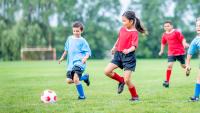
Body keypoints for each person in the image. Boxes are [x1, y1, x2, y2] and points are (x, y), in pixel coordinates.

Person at [104, 11, 146, 101]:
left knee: (127, 80)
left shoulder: (134, 32)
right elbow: (119, 38)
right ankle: (120, 80)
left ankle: (135, 96)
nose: (122, 23)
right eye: (122, 21)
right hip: (118, 55)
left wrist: (128, 50)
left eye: (124, 21)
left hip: (129, 57)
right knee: (107, 71)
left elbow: (134, 46)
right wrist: (114, 47)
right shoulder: (123, 28)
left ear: (131, 21)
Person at [59, 21, 91, 100]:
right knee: (69, 80)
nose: (75, 32)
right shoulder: (69, 39)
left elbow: (88, 52)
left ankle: (82, 96)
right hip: (71, 64)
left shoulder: (83, 41)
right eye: (74, 31)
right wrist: (62, 58)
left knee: (76, 79)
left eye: (77, 31)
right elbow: (66, 50)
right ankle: (85, 78)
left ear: (81, 31)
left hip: (79, 62)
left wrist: (85, 58)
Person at [159, 20, 190, 88]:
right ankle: (167, 81)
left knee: (183, 66)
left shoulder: (176, 32)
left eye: (168, 26)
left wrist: (184, 44)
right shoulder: (164, 34)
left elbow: (182, 39)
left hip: (180, 52)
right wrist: (161, 50)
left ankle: (187, 69)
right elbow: (163, 43)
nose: (166, 27)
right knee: (169, 65)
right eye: (165, 26)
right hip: (171, 53)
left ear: (171, 26)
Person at [185, 17, 200, 102]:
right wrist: (187, 65)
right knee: (199, 78)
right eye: (197, 26)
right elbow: (189, 53)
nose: (198, 27)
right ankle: (196, 97)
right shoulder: (195, 41)